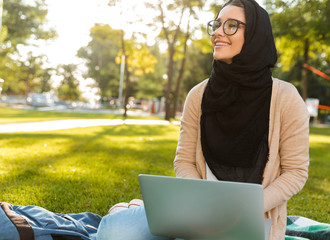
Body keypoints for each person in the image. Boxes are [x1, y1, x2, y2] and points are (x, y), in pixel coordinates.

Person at [97, 0, 309, 239]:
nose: (218, 32)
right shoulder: (198, 94)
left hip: (250, 220)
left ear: (255, 37)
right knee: (112, 232)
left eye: (231, 26)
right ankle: (133, 213)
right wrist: (202, 203)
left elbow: (295, 172)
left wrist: (245, 208)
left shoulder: (285, 97)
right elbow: (184, 161)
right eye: (217, 24)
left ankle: (136, 210)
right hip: (195, 212)